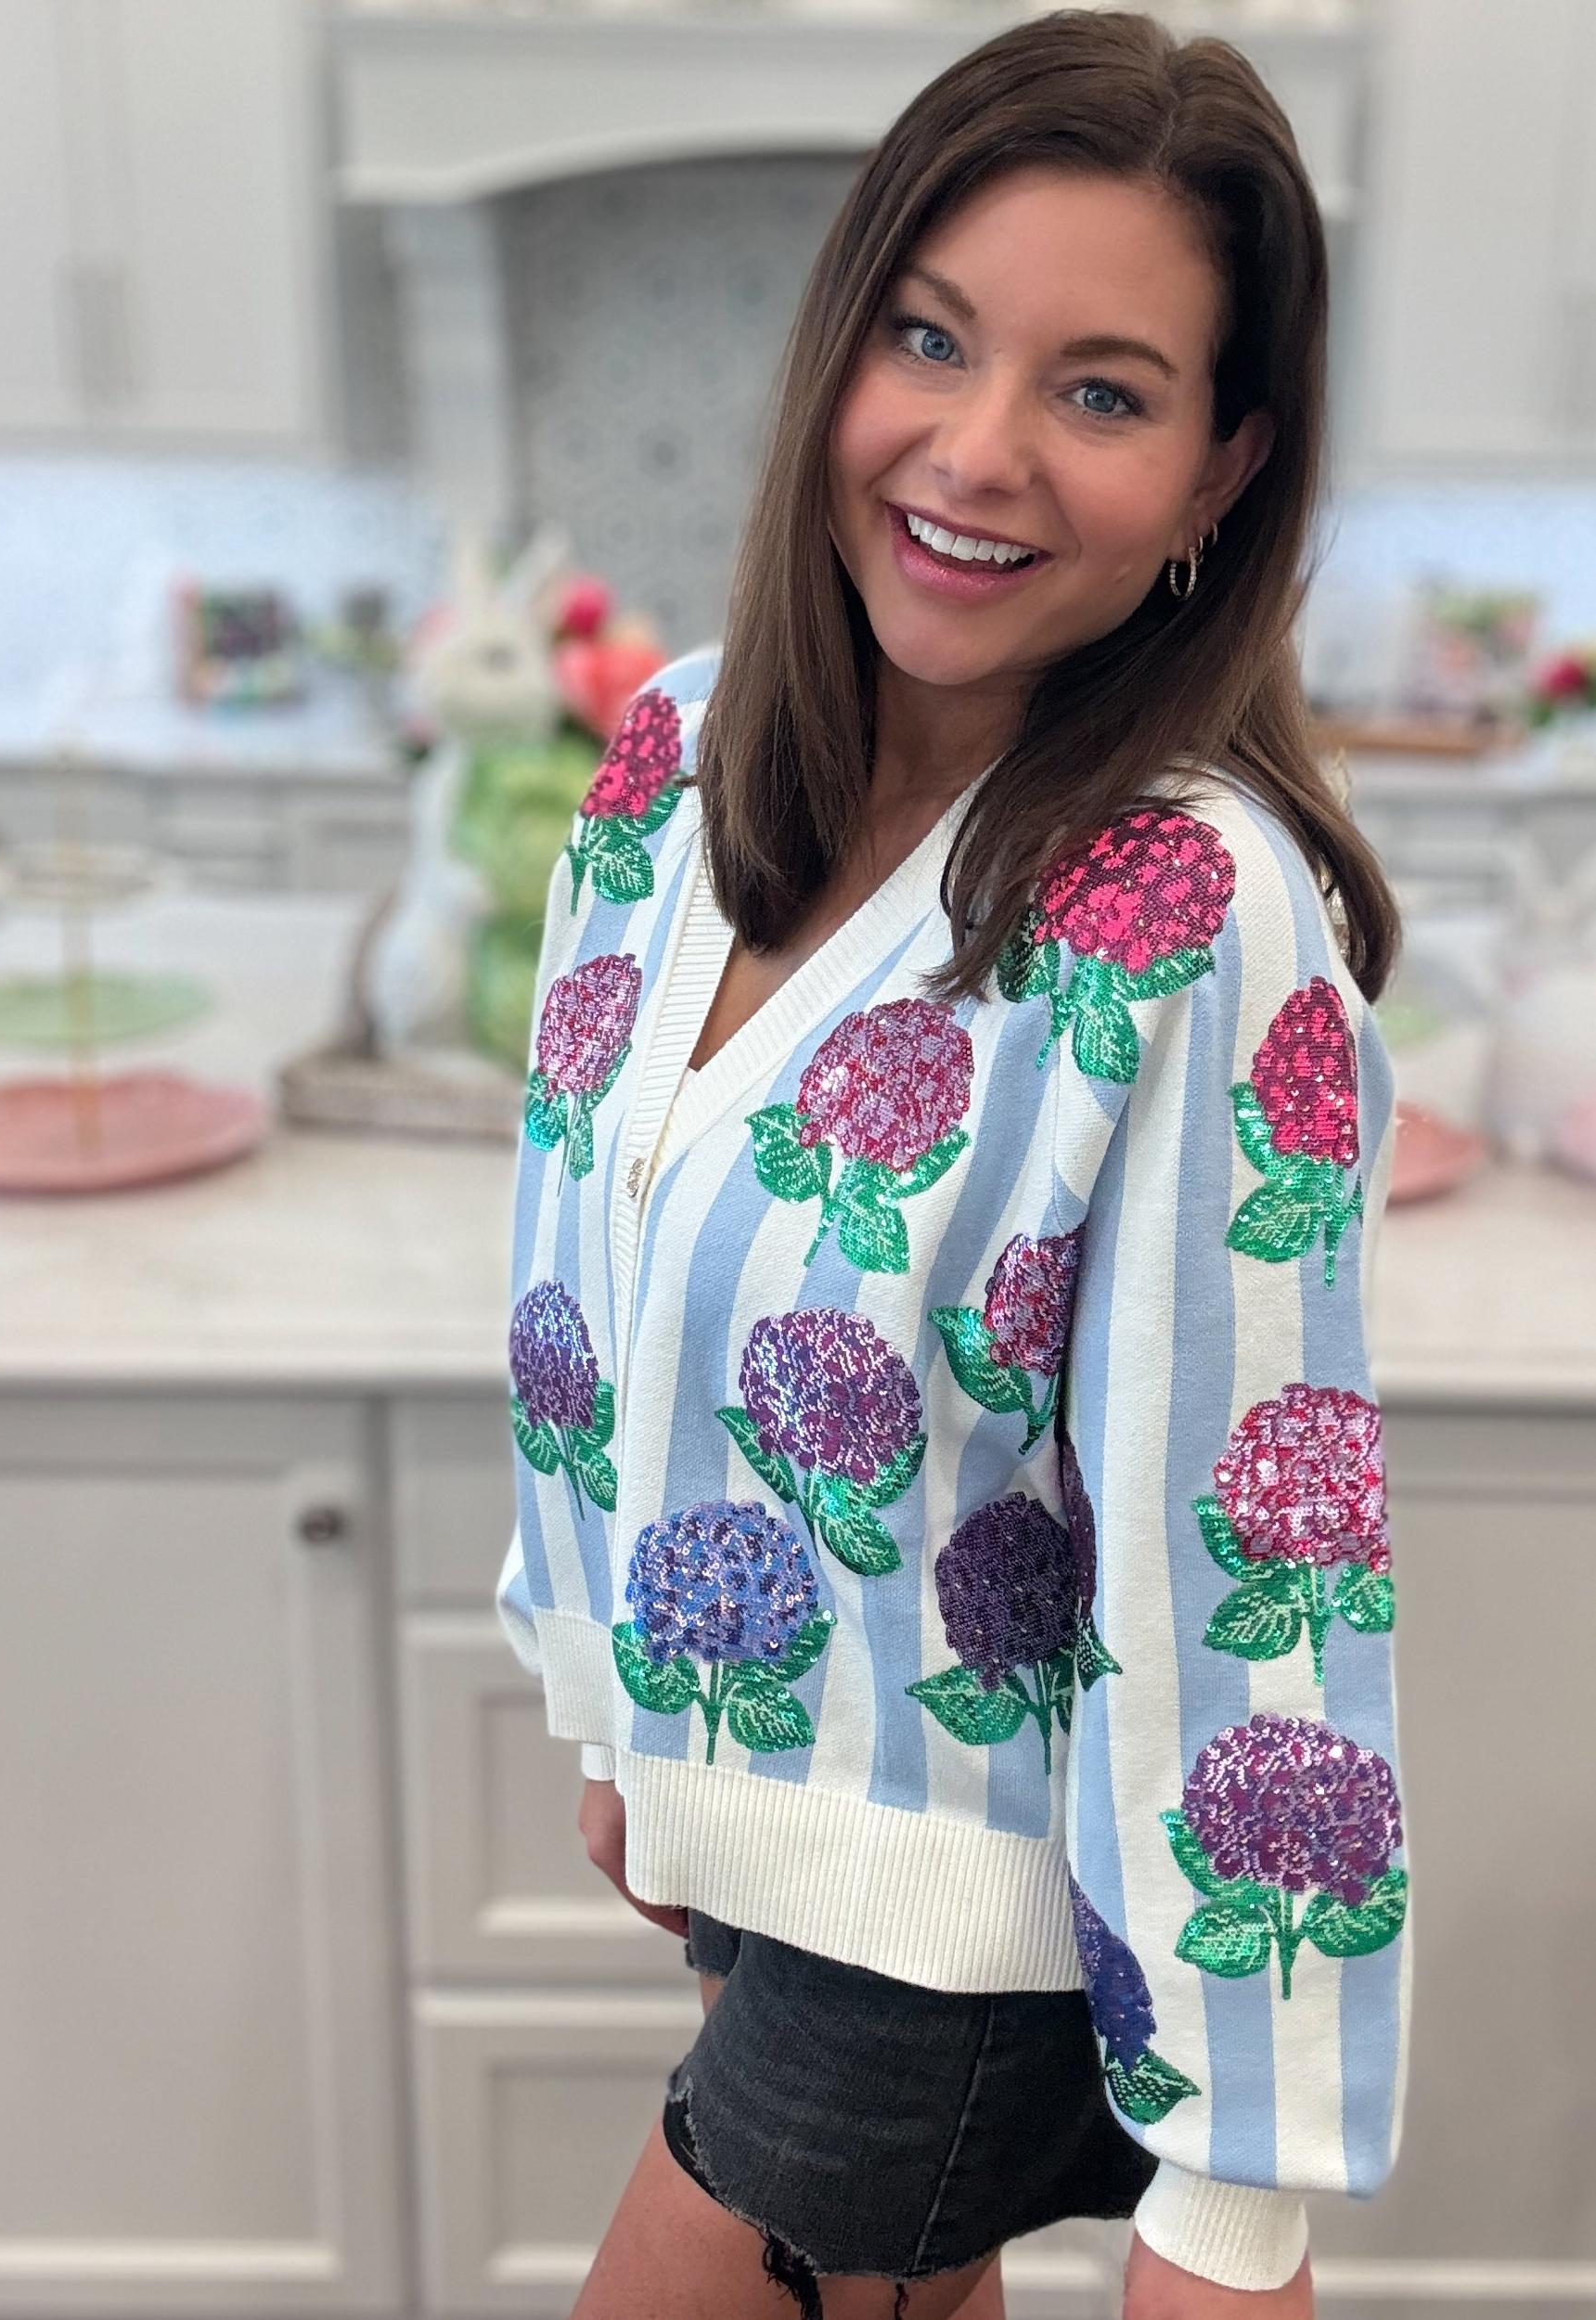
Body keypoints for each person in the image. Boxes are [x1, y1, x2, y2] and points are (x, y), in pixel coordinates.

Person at [495, 10, 1412, 2316]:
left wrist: (1234, 2200)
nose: (977, 448)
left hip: (960, 1934)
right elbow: (577, 1247)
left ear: (1218, 475)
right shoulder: (672, 752)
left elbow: (1253, 1540)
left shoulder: (1196, 911)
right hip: (768, 1826)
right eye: (928, 336)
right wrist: (618, 1708)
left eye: (1101, 391)